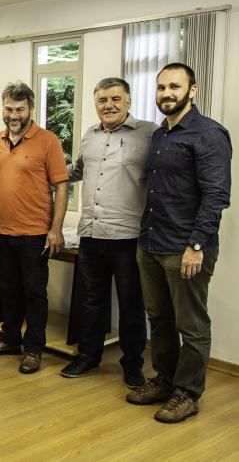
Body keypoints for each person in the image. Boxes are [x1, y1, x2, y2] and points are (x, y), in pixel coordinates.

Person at [126, 63, 232, 423]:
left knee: (192, 325)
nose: (166, 93)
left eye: (174, 86)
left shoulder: (208, 134)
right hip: (152, 242)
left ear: (193, 90)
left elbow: (216, 196)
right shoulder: (161, 135)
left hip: (185, 247)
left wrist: (196, 245)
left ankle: (188, 393)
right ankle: (166, 380)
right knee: (159, 318)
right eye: (160, 87)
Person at [60, 78, 157, 387]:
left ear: (128, 101)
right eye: (102, 100)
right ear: (95, 104)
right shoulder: (89, 135)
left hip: (129, 236)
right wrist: (42, 175)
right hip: (91, 232)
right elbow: (76, 171)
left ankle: (132, 365)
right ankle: (88, 357)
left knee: (131, 305)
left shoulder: (149, 134)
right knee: (91, 302)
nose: (109, 105)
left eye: (115, 99)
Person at [0, 81, 69, 374]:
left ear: (31, 108)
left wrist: (55, 229)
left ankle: (34, 349)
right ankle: (9, 339)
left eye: (20, 109)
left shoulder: (48, 141)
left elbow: (61, 186)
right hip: (4, 231)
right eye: (8, 109)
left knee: (34, 293)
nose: (13, 114)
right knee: (8, 290)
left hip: (35, 234)